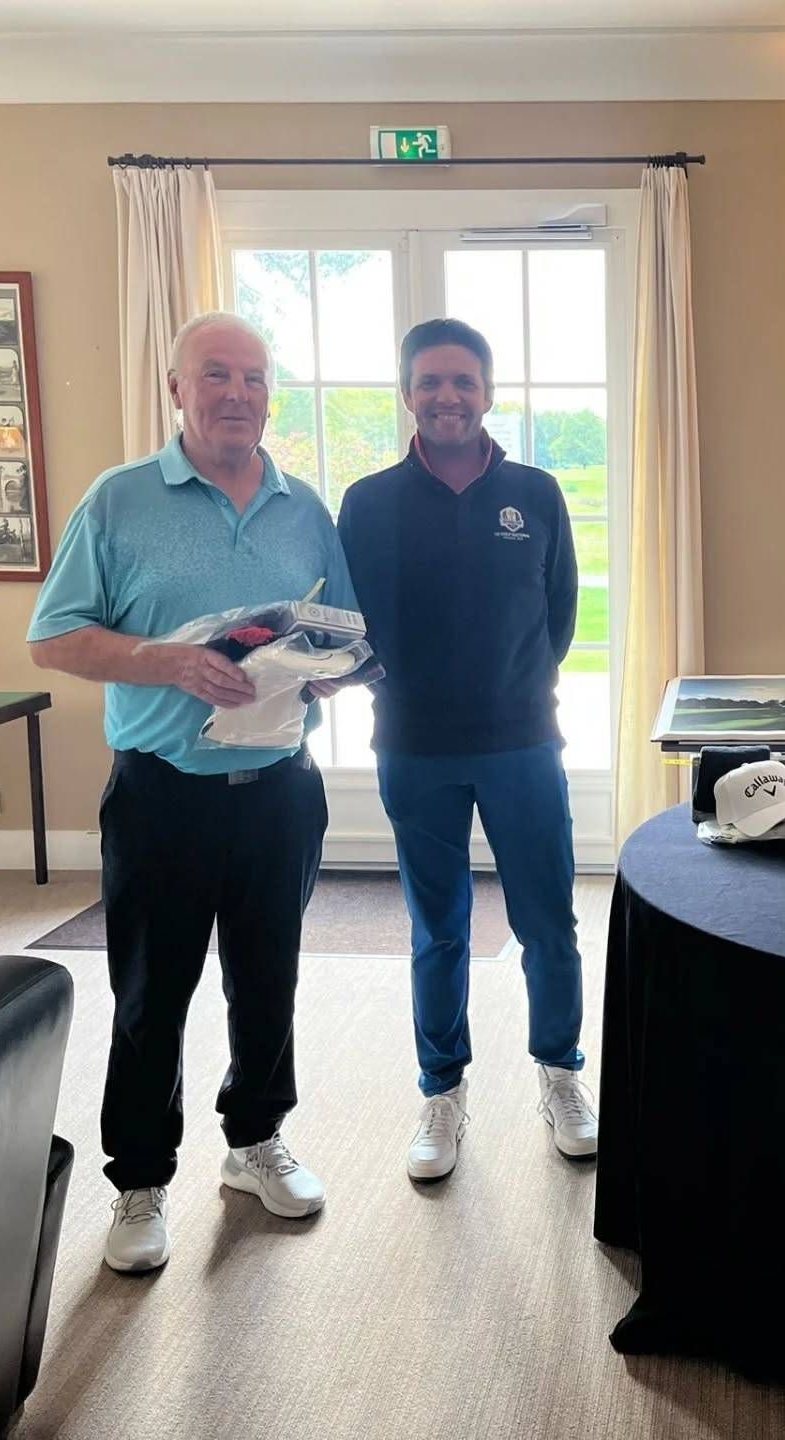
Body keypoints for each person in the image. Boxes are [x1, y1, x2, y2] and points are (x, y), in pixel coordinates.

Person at [28, 313, 360, 1273]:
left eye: (254, 378)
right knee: (151, 994)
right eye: (215, 374)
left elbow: (339, 630)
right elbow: (53, 638)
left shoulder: (304, 507)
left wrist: (327, 672)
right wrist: (166, 662)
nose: (237, 394)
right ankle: (139, 1181)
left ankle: (255, 1140)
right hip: (162, 797)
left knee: (269, 981)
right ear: (176, 388)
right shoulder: (120, 500)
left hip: (281, 794)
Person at [337, 318, 596, 1180]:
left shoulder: (536, 493)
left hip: (523, 744)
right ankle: (442, 1090)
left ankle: (561, 1074)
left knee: (547, 923)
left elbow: (559, 615)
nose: (447, 396)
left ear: (488, 392)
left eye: (463, 381)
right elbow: (354, 622)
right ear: (406, 393)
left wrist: (516, 689)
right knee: (438, 928)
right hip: (414, 747)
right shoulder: (369, 502)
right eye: (430, 382)